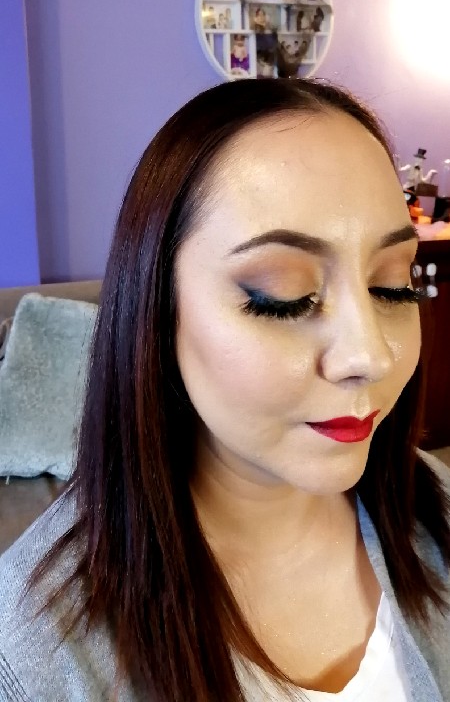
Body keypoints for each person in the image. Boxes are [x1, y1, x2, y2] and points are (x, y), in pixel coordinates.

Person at [1, 78, 450, 702]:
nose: (369, 356)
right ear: (157, 312)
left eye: (391, 286)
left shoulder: (435, 508)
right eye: (284, 296)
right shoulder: (33, 653)